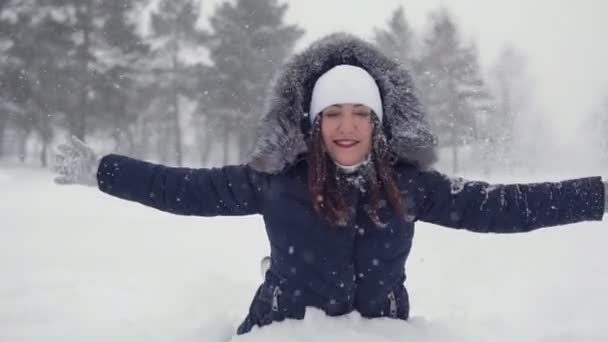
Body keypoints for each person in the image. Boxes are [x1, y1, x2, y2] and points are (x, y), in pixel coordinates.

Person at [53, 33, 607, 335]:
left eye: (360, 114)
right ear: (314, 123)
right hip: (283, 333)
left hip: (379, 333)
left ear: (379, 123)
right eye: (333, 113)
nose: (347, 127)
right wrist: (105, 170)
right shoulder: (275, 182)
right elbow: (186, 190)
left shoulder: (411, 187)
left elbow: (504, 206)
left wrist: (598, 194)